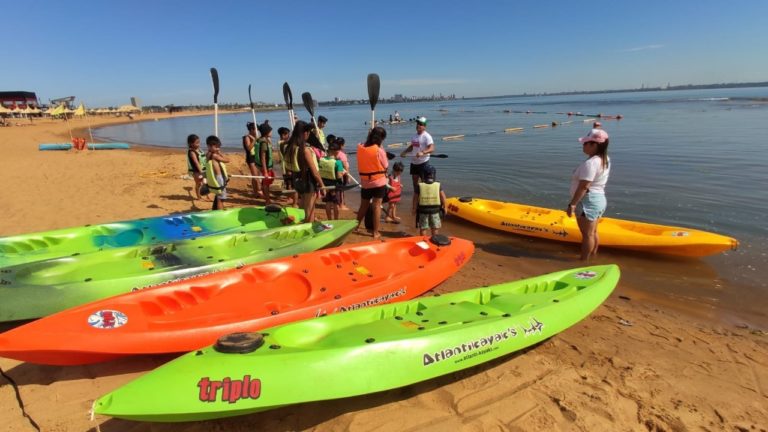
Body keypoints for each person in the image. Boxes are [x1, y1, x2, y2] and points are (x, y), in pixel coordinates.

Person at [567, 128, 611, 261]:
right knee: (593, 232)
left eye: (586, 143)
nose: (583, 145)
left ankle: (583, 262)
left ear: (594, 145)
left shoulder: (591, 163)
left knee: (587, 235)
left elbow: (584, 186)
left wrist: (573, 204)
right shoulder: (605, 159)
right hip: (599, 199)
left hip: (588, 201)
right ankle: (592, 257)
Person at [285, 121, 325, 223]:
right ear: (305, 133)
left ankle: (303, 222)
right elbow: (314, 172)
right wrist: (322, 185)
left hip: (297, 180)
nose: (309, 134)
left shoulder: (289, 147)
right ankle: (309, 227)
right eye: (308, 132)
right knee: (310, 208)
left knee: (303, 203)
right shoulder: (305, 150)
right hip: (307, 181)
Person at [355, 126, 389, 239]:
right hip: (378, 182)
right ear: (381, 139)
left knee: (363, 206)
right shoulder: (379, 150)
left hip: (365, 183)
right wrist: (381, 148)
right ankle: (375, 232)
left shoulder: (360, 147)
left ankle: (355, 227)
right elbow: (386, 165)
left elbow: (366, 145)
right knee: (377, 206)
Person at [400, 116, 434, 192]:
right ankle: (416, 195)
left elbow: (432, 148)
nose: (418, 125)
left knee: (424, 183)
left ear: (424, 126)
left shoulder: (427, 136)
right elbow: (412, 147)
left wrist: (423, 152)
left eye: (421, 124)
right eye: (418, 123)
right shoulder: (414, 136)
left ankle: (424, 197)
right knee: (414, 182)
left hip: (423, 162)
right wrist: (404, 152)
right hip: (414, 162)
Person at [413, 165, 446, 236]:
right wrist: (445, 207)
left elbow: (415, 198)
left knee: (423, 228)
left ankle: (423, 241)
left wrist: (414, 209)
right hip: (435, 211)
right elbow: (443, 197)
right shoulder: (438, 185)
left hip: (423, 211)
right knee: (435, 227)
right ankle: (435, 239)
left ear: (423, 175)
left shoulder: (419, 185)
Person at [319, 141, 346, 220]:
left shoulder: (322, 159)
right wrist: (344, 173)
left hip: (325, 184)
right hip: (335, 185)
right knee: (335, 203)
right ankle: (336, 220)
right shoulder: (338, 162)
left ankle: (329, 219)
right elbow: (338, 175)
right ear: (336, 151)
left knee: (328, 202)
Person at [205, 136, 230, 210]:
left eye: (219, 147)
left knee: (219, 195)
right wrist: (220, 153)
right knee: (221, 198)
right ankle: (220, 211)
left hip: (214, 177)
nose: (218, 149)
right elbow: (227, 160)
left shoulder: (208, 155)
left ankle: (219, 208)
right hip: (218, 178)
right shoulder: (215, 155)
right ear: (209, 146)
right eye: (216, 147)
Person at [242, 122, 263, 198]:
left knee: (257, 175)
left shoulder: (256, 136)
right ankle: (258, 191)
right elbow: (248, 148)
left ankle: (256, 191)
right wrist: (254, 140)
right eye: (255, 129)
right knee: (255, 176)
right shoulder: (247, 137)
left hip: (257, 157)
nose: (257, 131)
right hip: (251, 158)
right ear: (251, 130)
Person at [256, 122, 275, 205]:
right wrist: (265, 171)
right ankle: (267, 201)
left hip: (266, 167)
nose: (272, 132)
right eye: (270, 131)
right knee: (266, 184)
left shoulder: (264, 140)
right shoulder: (263, 143)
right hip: (265, 167)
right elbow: (263, 157)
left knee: (266, 182)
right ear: (267, 132)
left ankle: (266, 197)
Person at [277, 127, 296, 207]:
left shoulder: (284, 143)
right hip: (286, 166)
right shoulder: (281, 143)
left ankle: (290, 197)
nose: (288, 136)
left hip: (286, 165)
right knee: (289, 182)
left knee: (290, 182)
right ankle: (290, 198)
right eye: (287, 134)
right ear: (283, 135)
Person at [186, 134, 207, 200]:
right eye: (197, 143)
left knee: (205, 183)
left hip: (203, 169)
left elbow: (203, 158)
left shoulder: (199, 150)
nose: (199, 144)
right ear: (191, 144)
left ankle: (206, 196)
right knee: (199, 184)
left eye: (199, 142)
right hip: (197, 171)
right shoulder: (192, 152)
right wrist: (201, 172)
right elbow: (196, 163)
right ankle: (198, 196)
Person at [335, 136, 351, 210]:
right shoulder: (342, 154)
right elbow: (345, 166)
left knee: (337, 189)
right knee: (341, 189)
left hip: (335, 174)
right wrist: (348, 176)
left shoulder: (334, 152)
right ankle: (341, 205)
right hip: (342, 174)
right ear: (341, 145)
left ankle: (337, 204)